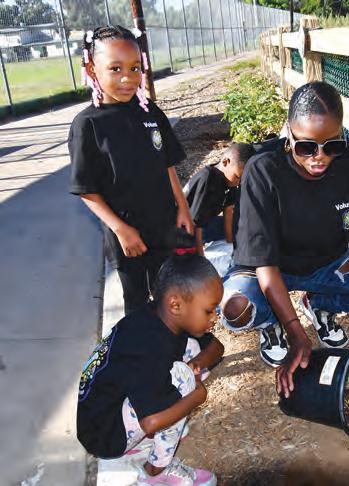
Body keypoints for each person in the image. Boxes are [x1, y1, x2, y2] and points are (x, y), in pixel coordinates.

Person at [219, 81, 349, 398]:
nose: (319, 157)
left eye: (332, 145)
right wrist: (296, 333)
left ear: (341, 134)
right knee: (236, 309)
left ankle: (318, 304)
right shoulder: (263, 170)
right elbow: (264, 263)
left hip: (327, 262)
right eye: (306, 147)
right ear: (288, 135)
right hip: (271, 268)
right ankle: (272, 322)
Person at [68, 25, 193, 315]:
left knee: (169, 291)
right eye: (115, 69)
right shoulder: (88, 125)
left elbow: (167, 164)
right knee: (137, 301)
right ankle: (140, 342)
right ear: (92, 69)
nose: (127, 78)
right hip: (127, 235)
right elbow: (87, 190)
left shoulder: (150, 112)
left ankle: (173, 339)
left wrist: (183, 208)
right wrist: (121, 230)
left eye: (135, 68)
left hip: (163, 225)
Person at [76, 254, 223, 486]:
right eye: (209, 311)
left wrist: (196, 363)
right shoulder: (150, 348)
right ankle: (156, 472)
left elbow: (216, 348)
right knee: (184, 382)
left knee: (191, 353)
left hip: (106, 408)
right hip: (105, 436)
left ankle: (160, 429)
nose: (215, 318)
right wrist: (195, 397)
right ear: (175, 304)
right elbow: (151, 422)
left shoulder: (162, 315)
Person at [183, 142, 255, 254]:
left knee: (242, 225)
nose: (238, 183)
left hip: (205, 222)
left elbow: (228, 210)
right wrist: (201, 257)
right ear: (225, 162)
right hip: (185, 228)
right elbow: (196, 222)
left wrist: (230, 242)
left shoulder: (230, 181)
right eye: (237, 177)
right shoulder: (207, 179)